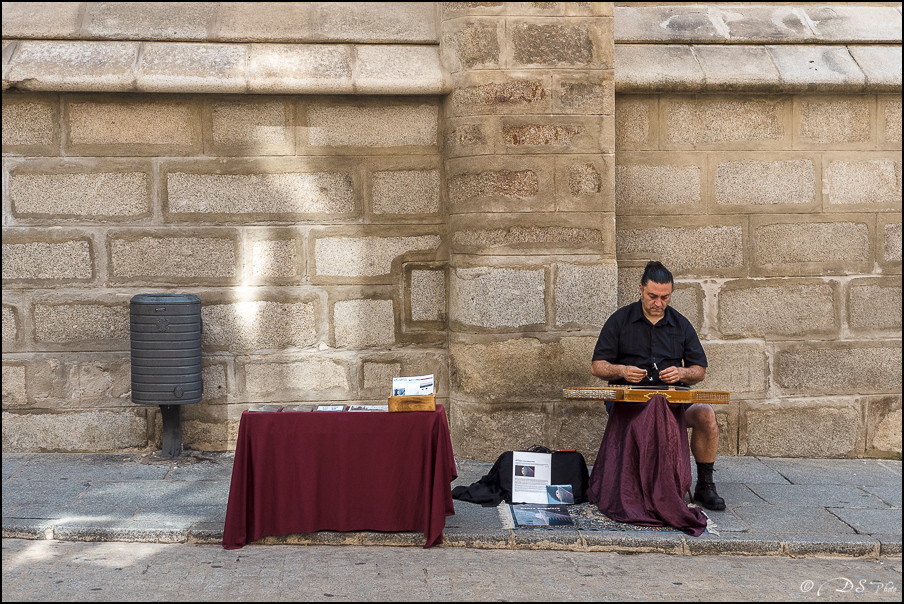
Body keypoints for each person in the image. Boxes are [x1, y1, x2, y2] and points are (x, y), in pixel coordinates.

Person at [590, 261, 725, 511]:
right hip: (629, 404)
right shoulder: (620, 320)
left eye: (665, 297)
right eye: (652, 296)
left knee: (706, 414)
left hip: (672, 403)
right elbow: (597, 366)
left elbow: (699, 371)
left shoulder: (681, 324)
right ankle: (644, 489)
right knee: (652, 413)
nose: (658, 303)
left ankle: (705, 485)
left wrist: (682, 372)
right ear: (640, 289)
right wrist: (621, 370)